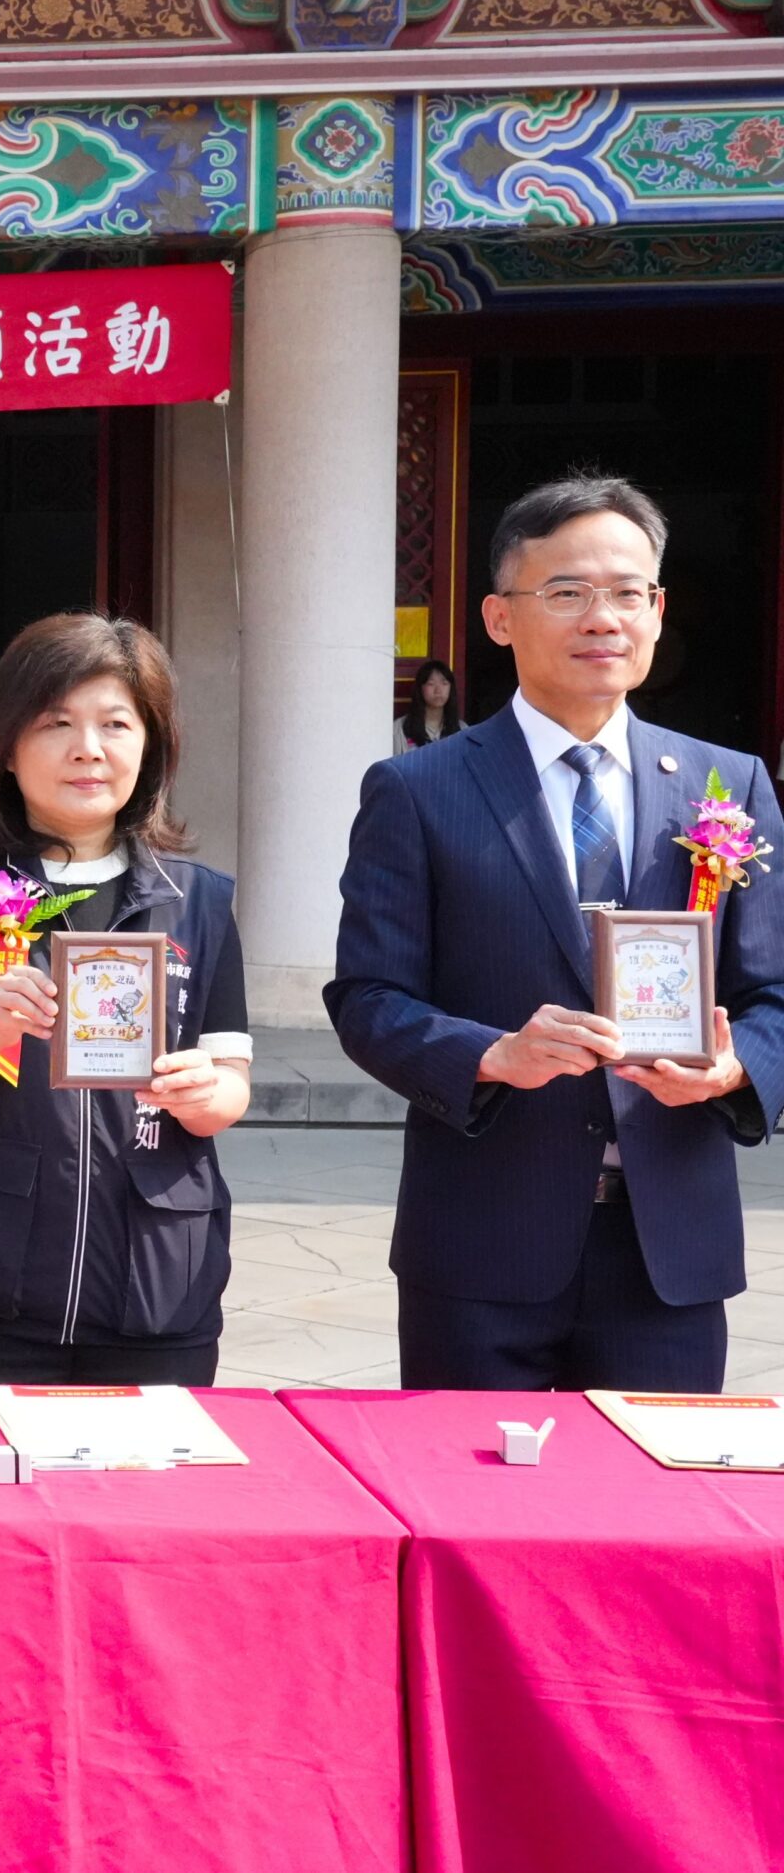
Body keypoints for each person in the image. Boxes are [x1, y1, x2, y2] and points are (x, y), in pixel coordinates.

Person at [329, 473, 784, 1392]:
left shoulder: (726, 785)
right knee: (467, 1481)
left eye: (627, 593)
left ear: (657, 611)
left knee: (653, 1484)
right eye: (568, 592)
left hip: (667, 1250)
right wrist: (492, 1054)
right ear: (500, 617)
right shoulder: (419, 790)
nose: (602, 618)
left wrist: (737, 1069)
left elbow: (773, 994)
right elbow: (368, 998)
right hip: (482, 1242)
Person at [0, 613, 253, 1387]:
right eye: (56, 723)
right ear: (8, 748)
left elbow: (230, 1084)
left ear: (149, 747)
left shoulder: (199, 902)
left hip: (157, 1284)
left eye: (116, 724)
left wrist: (203, 1094)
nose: (89, 748)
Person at [396, 657, 461, 755]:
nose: (438, 690)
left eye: (444, 683)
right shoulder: (399, 729)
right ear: (420, 688)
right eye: (431, 684)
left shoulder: (462, 729)